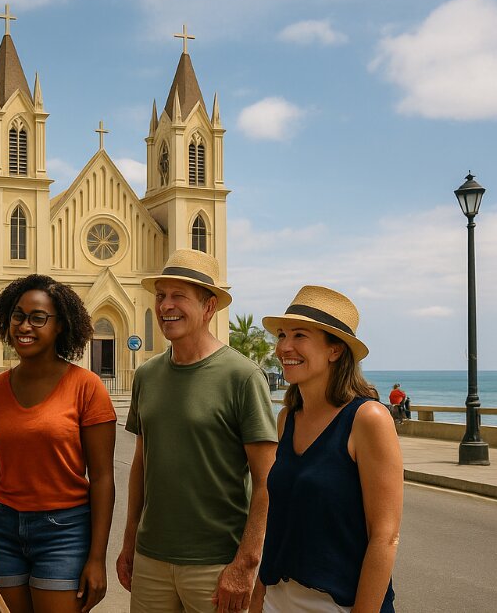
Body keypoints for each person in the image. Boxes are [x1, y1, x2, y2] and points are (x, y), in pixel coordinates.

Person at [116, 249, 279, 613]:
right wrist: (129, 545)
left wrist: (246, 564)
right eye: (160, 296)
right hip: (151, 560)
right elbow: (142, 465)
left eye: (178, 296)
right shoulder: (147, 375)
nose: (165, 306)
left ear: (209, 308)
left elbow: (268, 480)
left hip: (216, 564)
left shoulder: (243, 377)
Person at [254, 286, 402, 612]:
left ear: (335, 350)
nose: (284, 347)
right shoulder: (287, 418)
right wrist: (258, 599)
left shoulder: (368, 419)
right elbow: (279, 524)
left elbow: (385, 538)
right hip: (277, 600)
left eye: (300, 336)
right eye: (282, 335)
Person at [0, 275, 117, 613]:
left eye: (38, 318)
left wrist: (97, 558)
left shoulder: (87, 387)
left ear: (61, 326)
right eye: (18, 315)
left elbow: (101, 478)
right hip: (1, 529)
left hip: (65, 532)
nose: (24, 325)